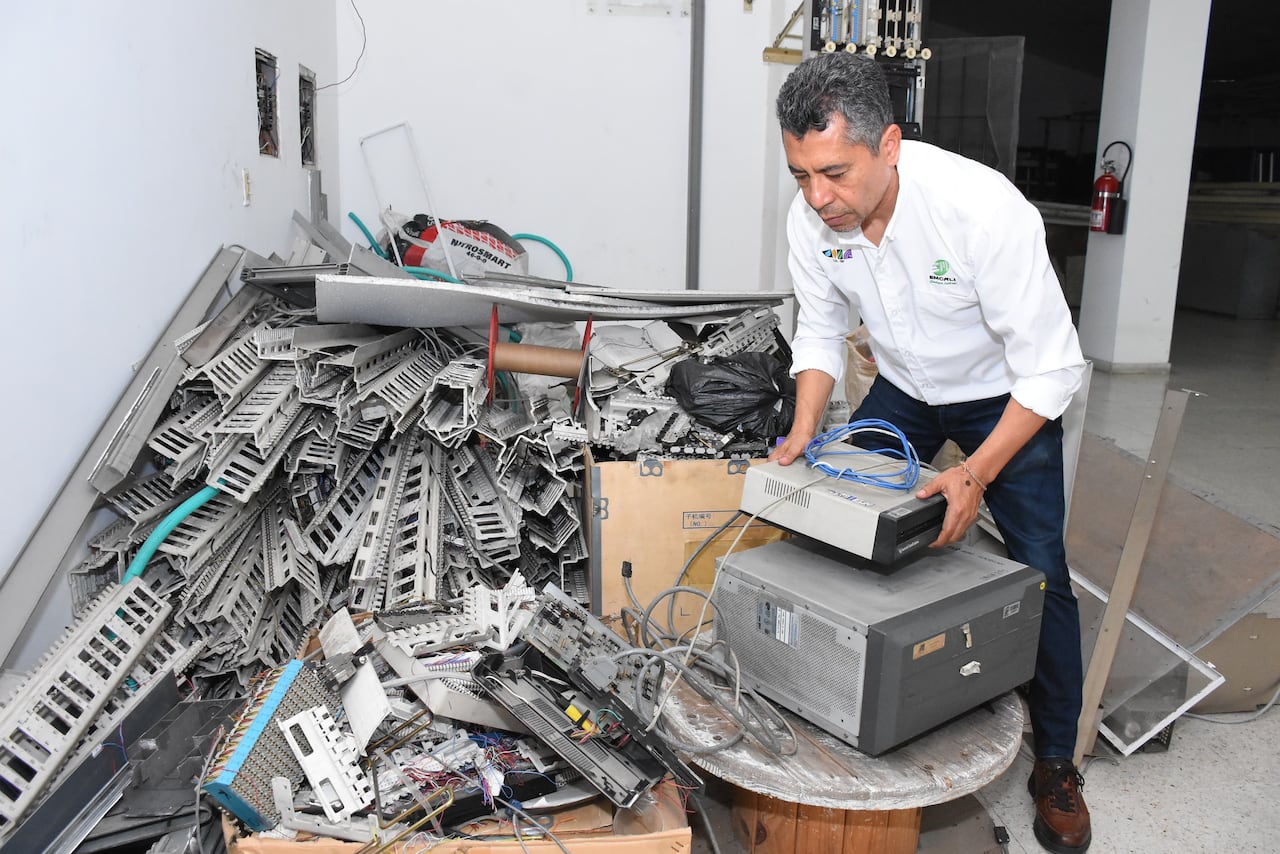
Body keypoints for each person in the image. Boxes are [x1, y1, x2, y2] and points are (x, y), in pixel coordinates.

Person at [770, 53, 1092, 854]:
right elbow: (816, 328)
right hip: (907, 386)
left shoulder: (982, 211)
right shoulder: (812, 218)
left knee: (1041, 569)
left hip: (1003, 397)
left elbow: (1053, 367)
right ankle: (836, 690)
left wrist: (975, 472)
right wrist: (807, 427)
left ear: (889, 143)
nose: (817, 197)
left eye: (835, 173)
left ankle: (1055, 761)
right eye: (800, 173)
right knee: (830, 520)